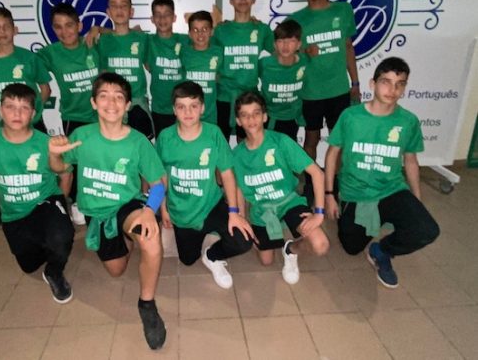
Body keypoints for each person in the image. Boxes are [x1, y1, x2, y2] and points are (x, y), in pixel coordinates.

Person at [48, 72, 167, 350]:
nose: (111, 103)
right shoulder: (82, 136)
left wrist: (149, 210)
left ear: (127, 105)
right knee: (116, 270)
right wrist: (54, 154)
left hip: (127, 205)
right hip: (97, 213)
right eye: (104, 96)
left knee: (150, 237)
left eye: (118, 97)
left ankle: (147, 304)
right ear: (93, 102)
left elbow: (159, 183)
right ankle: (126, 237)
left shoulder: (137, 141)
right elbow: (61, 168)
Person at [324, 57, 440, 288]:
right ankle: (366, 221)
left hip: (391, 189)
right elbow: (332, 153)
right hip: (355, 192)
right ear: (372, 84)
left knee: (427, 230)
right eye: (386, 82)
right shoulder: (351, 116)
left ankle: (382, 250)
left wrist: (416, 199)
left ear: (404, 88)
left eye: (400, 84)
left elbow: (410, 161)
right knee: (351, 247)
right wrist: (329, 195)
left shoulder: (408, 121)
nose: (392, 90)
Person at [0, 83, 75, 303]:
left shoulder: (45, 143)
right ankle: (45, 242)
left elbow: (66, 173)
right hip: (13, 213)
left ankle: (54, 271)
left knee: (61, 236)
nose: (17, 114)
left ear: (33, 113)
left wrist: (61, 204)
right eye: (10, 107)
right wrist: (8, 196)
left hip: (45, 201)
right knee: (29, 265)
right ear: (0, 111)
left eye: (24, 108)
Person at [157, 81, 254, 289]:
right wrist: (163, 208)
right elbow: (161, 177)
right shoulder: (165, 137)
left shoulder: (213, 134)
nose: (188, 112)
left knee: (243, 240)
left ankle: (212, 254)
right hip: (181, 211)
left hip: (211, 204)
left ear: (202, 108)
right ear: (174, 110)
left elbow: (227, 174)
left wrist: (234, 212)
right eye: (181, 107)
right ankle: (200, 234)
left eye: (193, 106)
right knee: (188, 259)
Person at [233, 92, 329, 284]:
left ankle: (291, 250)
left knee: (320, 244)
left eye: (256, 113)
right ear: (238, 121)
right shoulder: (236, 155)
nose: (251, 119)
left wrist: (319, 213)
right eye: (245, 115)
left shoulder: (281, 141)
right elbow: (238, 188)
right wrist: (242, 217)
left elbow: (318, 174)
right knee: (266, 261)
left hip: (288, 201)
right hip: (262, 210)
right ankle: (265, 237)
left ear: (265, 116)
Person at [289, 0, 360, 163]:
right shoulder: (296, 20)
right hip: (311, 91)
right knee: (311, 138)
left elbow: (348, 47)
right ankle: (312, 179)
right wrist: (304, 51)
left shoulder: (343, 10)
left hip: (339, 89)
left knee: (339, 141)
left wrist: (355, 82)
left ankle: (334, 179)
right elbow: (286, 53)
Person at [38, 3, 100, 224]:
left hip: (101, 117)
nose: (64, 31)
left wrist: (98, 29)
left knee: (99, 160)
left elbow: (124, 34)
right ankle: (76, 202)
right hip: (74, 117)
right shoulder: (49, 53)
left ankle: (99, 198)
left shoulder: (93, 44)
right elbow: (20, 60)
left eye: (69, 25)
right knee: (73, 163)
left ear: (79, 25)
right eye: (58, 27)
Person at [214, 0, 274, 141]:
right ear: (231, 0)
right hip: (224, 96)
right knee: (221, 145)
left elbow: (282, 52)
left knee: (249, 144)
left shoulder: (262, 30)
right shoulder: (220, 30)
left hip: (250, 97)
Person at [0, 6, 51, 132]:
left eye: (7, 26)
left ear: (15, 30)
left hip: (32, 123)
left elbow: (46, 90)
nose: (2, 31)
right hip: (1, 124)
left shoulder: (30, 58)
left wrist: (34, 112)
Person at [96, 0, 153, 139]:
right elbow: (102, 74)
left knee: (140, 147)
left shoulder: (143, 38)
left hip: (137, 105)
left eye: (124, 5)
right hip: (113, 106)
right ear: (108, 12)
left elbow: (150, 67)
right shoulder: (103, 41)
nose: (119, 9)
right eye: (114, 5)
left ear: (131, 11)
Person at [146, 0, 190, 137]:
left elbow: (208, 34)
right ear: (152, 19)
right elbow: (124, 33)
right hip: (159, 109)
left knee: (185, 144)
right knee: (163, 145)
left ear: (174, 18)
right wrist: (97, 29)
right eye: (158, 15)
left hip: (184, 105)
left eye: (167, 14)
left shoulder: (185, 40)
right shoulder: (147, 41)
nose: (162, 19)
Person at [259, 19, 307, 142]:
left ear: (299, 44)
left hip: (292, 119)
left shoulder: (305, 62)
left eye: (291, 41)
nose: (285, 46)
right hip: (269, 118)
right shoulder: (264, 64)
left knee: (288, 152)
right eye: (281, 41)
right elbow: (247, 78)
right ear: (275, 44)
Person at [180, 11, 223, 126]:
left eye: (204, 29)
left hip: (210, 115)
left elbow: (221, 75)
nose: (200, 34)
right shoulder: (183, 52)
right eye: (195, 30)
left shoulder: (219, 52)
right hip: (187, 115)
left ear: (211, 31)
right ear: (189, 34)